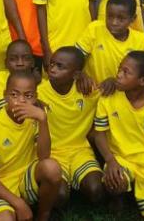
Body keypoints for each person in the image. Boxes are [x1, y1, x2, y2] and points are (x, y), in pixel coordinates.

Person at [93, 51, 144, 220]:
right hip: (120, 160)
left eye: (126, 72)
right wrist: (110, 161)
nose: (118, 75)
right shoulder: (108, 98)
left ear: (143, 81)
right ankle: (119, 197)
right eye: (119, 69)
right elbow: (99, 134)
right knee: (115, 179)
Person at [0, 71, 63, 221]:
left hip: (26, 177)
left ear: (35, 97)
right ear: (5, 95)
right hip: (2, 185)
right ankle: (19, 207)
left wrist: (43, 120)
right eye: (14, 95)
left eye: (28, 96)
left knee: (51, 167)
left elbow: (44, 156)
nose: (21, 101)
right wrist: (18, 203)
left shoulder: (34, 117)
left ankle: (43, 215)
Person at [38, 47, 104, 203]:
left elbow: (112, 94)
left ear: (76, 74)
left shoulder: (86, 89)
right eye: (52, 64)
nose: (52, 69)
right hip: (52, 154)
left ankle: (77, 180)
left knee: (96, 190)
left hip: (80, 151)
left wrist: (112, 82)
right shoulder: (39, 93)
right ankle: (67, 184)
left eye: (60, 66)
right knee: (59, 196)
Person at [76, 0, 144, 97]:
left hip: (121, 100)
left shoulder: (140, 40)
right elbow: (76, 57)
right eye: (109, 16)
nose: (114, 22)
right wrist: (81, 75)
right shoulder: (94, 29)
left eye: (121, 19)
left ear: (133, 19)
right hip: (92, 93)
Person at [0, 40, 39, 113]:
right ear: (6, 63)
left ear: (32, 62)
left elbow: (43, 112)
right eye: (13, 59)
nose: (20, 63)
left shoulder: (41, 82)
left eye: (25, 58)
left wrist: (35, 84)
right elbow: (3, 110)